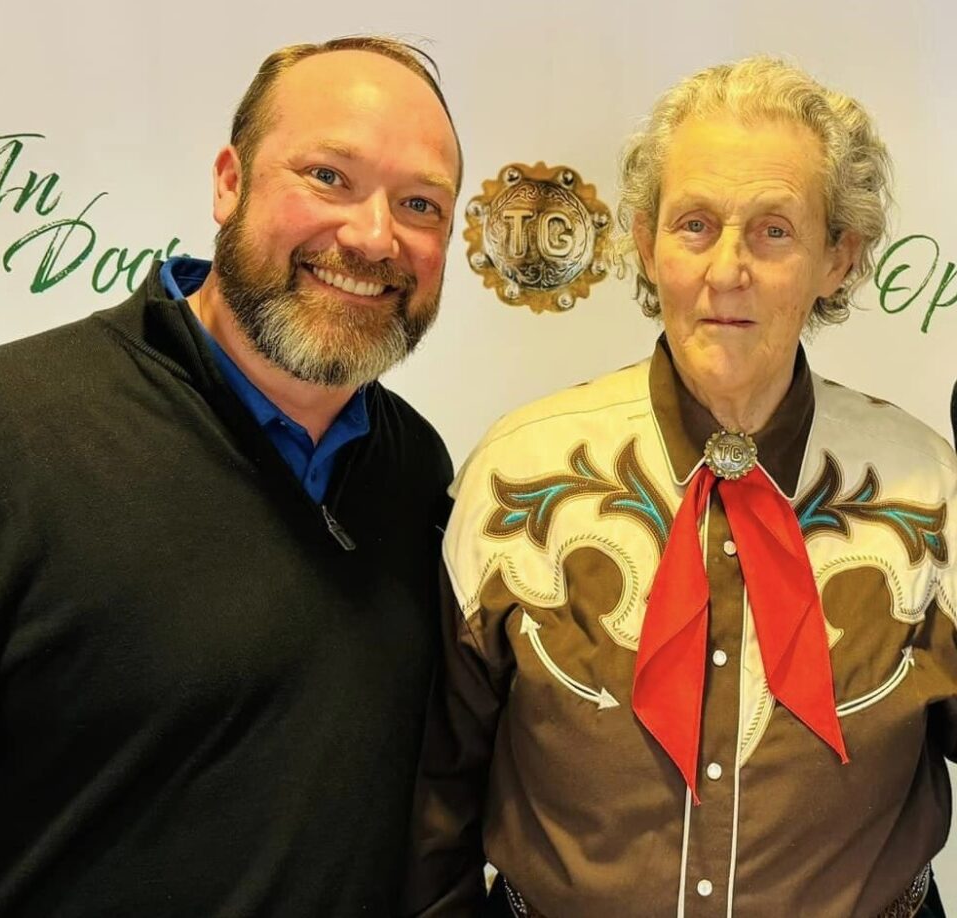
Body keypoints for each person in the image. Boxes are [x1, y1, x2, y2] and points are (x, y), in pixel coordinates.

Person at [403, 57, 955, 917]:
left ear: (837, 258)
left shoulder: (929, 488)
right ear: (647, 241)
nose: (726, 270)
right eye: (696, 224)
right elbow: (437, 794)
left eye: (774, 230)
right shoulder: (517, 473)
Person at [0, 36, 461, 917]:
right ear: (229, 182)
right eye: (329, 176)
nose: (374, 237)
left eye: (419, 203)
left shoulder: (416, 472)